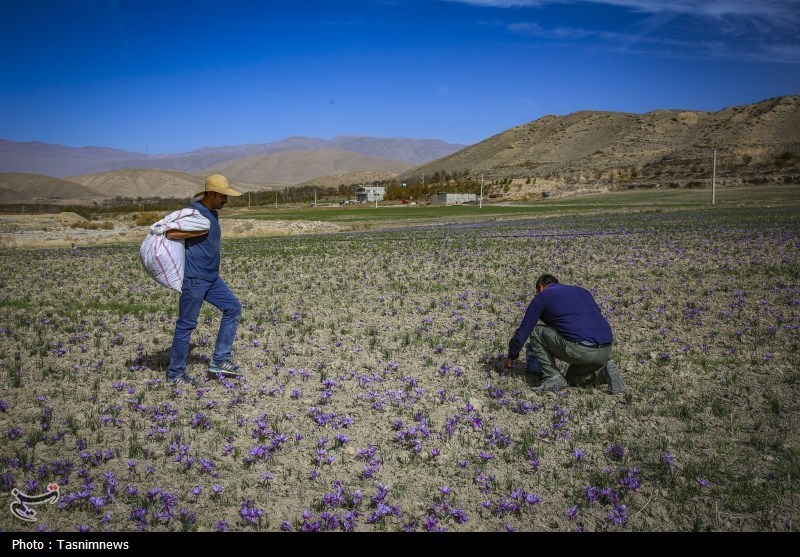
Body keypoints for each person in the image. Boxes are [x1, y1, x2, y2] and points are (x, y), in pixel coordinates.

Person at [165, 174, 244, 383]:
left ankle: (220, 360)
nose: (226, 201)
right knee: (186, 325)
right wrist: (195, 232)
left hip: (212, 278)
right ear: (211, 193)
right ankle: (175, 374)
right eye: (223, 196)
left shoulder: (211, 213)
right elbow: (171, 233)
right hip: (194, 278)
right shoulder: (193, 212)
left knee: (233, 308)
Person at [503, 274, 624, 394]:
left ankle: (553, 377)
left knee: (536, 331)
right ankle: (603, 372)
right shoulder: (582, 291)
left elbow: (524, 330)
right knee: (571, 378)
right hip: (606, 349)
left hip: (581, 350)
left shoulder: (543, 296)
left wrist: (511, 355)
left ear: (541, 287)